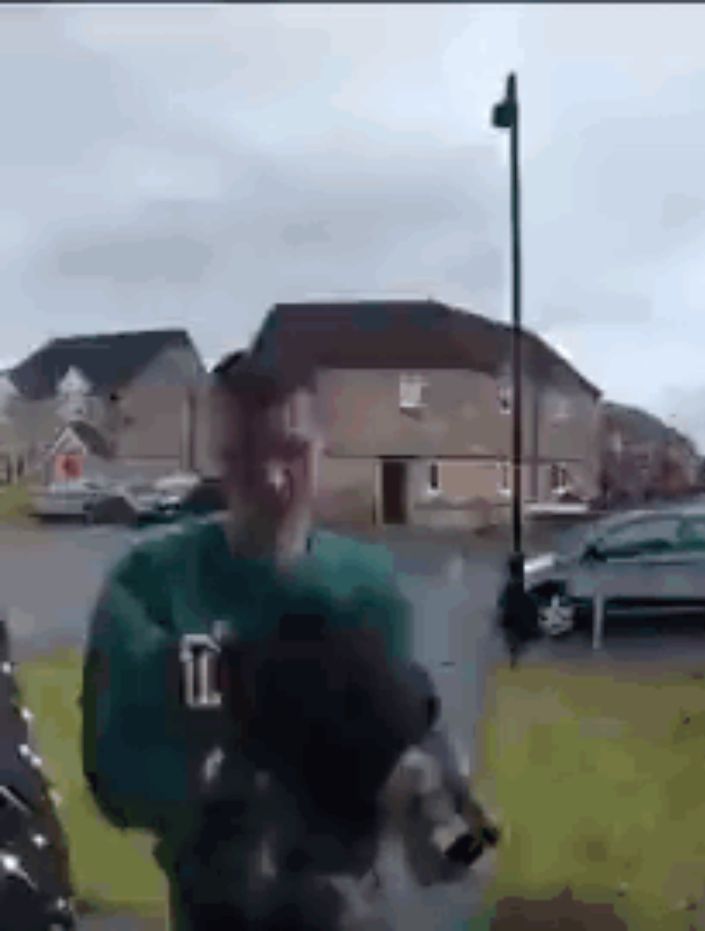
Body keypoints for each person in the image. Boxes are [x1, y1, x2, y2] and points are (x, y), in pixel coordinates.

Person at [80, 349, 495, 930]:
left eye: (293, 452)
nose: (274, 479)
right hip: (219, 904)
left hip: (349, 902)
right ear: (217, 459)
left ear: (322, 448)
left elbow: (410, 711)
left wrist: (426, 778)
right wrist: (243, 751)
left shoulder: (368, 588)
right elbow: (115, 774)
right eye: (248, 455)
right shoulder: (151, 583)